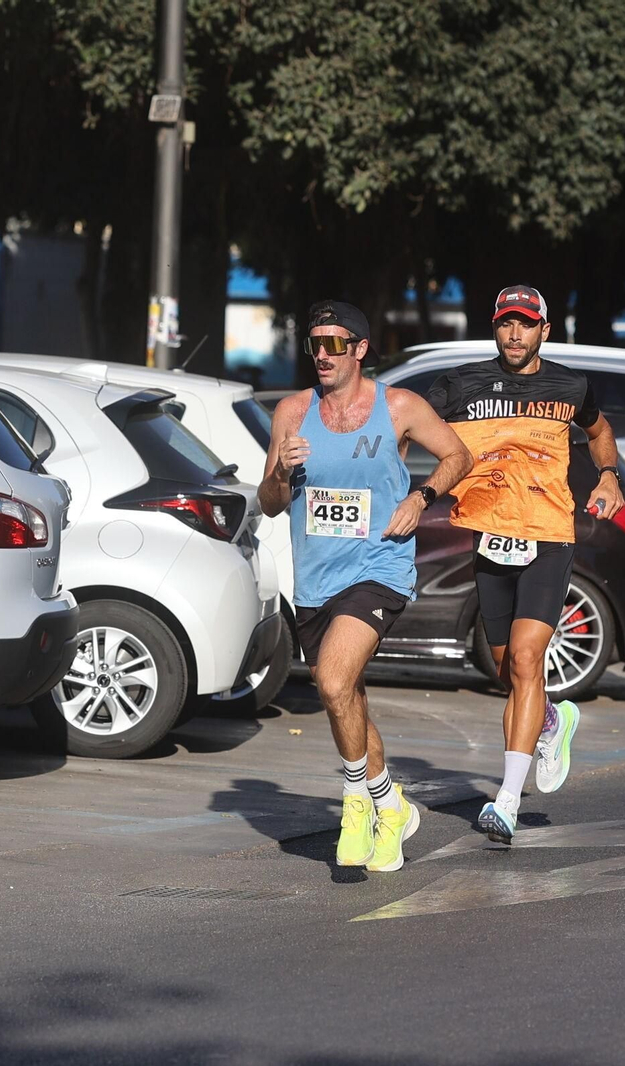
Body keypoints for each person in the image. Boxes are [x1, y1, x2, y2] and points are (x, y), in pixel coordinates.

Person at [258, 300, 471, 872]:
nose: (322, 355)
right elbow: (270, 503)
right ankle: (391, 806)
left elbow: (458, 455)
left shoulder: (398, 406)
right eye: (315, 344)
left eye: (334, 344)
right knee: (345, 698)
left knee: (331, 680)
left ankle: (355, 804)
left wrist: (420, 498)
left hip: (379, 567)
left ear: (359, 349)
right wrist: (281, 471)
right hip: (316, 579)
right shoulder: (292, 412)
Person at [426, 285, 625, 844]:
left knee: (526, 658)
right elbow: (407, 423)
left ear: (545, 330)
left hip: (548, 534)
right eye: (506, 323)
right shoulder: (460, 384)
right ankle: (553, 720)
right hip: (490, 534)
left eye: (526, 324)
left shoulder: (570, 386)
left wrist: (609, 476)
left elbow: (599, 431)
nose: (515, 334)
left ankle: (507, 801)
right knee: (507, 668)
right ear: (494, 327)